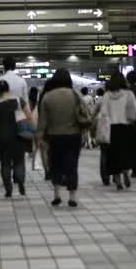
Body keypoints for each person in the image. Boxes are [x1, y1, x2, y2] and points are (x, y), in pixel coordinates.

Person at [37, 69, 86, 208]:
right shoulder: (75, 95)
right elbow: (84, 113)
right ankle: (73, 197)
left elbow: (43, 121)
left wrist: (40, 137)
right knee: (72, 165)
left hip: (54, 136)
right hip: (73, 136)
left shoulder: (47, 97)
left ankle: (57, 195)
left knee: (56, 165)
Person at [99, 74, 136, 190]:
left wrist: (102, 128)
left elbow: (103, 113)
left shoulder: (107, 95)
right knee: (126, 153)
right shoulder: (129, 94)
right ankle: (125, 172)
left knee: (113, 155)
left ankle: (118, 180)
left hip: (112, 129)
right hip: (126, 128)